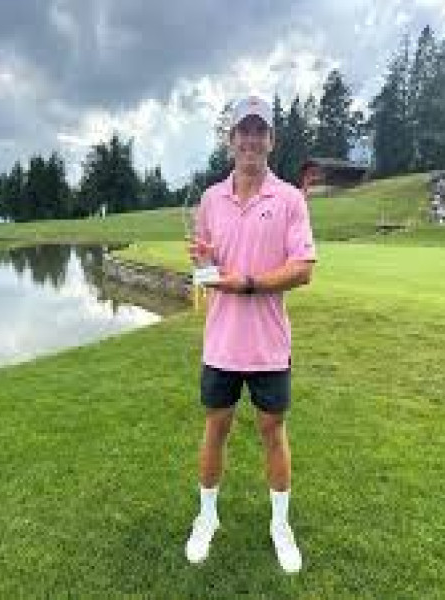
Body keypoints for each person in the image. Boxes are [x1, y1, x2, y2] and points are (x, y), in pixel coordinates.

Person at [185, 96, 317, 573]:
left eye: (260, 131)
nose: (251, 140)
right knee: (215, 429)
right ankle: (207, 517)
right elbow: (206, 269)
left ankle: (280, 525)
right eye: (244, 130)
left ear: (271, 141)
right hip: (221, 344)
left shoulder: (290, 199)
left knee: (272, 432)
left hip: (268, 347)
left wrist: (248, 283)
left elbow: (303, 269)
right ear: (231, 139)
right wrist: (203, 264)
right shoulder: (210, 199)